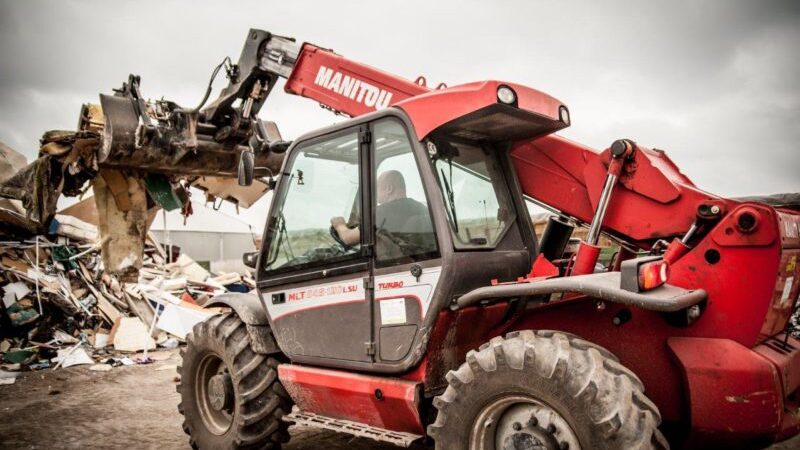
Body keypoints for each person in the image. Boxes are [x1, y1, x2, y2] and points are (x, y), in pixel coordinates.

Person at [330, 170, 429, 247]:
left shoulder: (382, 212)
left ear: (389, 189)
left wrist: (339, 225)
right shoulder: (421, 208)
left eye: (377, 188)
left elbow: (349, 239)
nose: (376, 194)